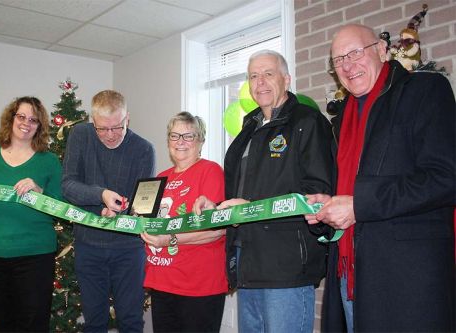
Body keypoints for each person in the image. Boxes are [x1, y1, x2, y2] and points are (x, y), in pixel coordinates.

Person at [305, 24, 455, 332]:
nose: (347, 65)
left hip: (407, 281)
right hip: (350, 274)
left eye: (356, 52)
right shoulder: (341, 119)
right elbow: (345, 189)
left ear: (382, 50)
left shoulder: (424, 90)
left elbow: (445, 178)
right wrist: (328, 205)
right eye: (338, 60)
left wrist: (360, 205)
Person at [194, 50, 334, 332]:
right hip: (247, 263)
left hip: (286, 267)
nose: (260, 82)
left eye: (268, 74)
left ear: (286, 79)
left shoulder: (308, 122)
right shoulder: (249, 128)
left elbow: (317, 195)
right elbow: (247, 189)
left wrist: (248, 206)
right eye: (253, 76)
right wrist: (218, 207)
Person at [0, 96, 62, 332]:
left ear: (40, 126)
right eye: (22, 116)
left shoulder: (49, 162)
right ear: (11, 118)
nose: (26, 123)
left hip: (36, 256)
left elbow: (60, 206)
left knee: (34, 324)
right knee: (2, 322)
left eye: (34, 120)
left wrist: (39, 192)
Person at [62, 90, 155, 332]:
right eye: (102, 129)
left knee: (131, 320)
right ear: (92, 121)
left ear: (127, 119)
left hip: (128, 249)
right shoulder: (80, 135)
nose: (110, 135)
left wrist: (120, 214)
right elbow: (68, 186)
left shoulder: (144, 149)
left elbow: (141, 206)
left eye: (117, 127)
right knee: (95, 322)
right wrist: (101, 194)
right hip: (88, 245)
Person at [139, 112, 228, 332]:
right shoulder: (160, 177)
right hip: (162, 281)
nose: (180, 142)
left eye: (189, 136)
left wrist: (169, 240)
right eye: (175, 135)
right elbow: (143, 220)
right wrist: (118, 217)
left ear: (201, 141)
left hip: (198, 284)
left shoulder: (211, 170)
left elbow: (218, 230)